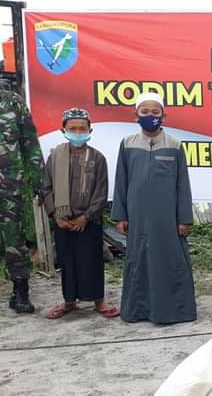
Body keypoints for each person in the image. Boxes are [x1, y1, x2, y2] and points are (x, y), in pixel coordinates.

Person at [111, 92, 197, 324]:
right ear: (136, 115)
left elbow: (182, 185)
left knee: (170, 261)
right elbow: (121, 182)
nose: (150, 116)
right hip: (137, 217)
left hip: (167, 218)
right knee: (138, 261)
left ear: (164, 116)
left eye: (155, 112)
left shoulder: (174, 145)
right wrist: (120, 216)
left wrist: (184, 219)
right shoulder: (127, 144)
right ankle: (138, 310)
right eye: (145, 112)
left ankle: (175, 311)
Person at [42, 108, 119, 319]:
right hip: (62, 221)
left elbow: (101, 192)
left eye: (82, 129)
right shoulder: (55, 157)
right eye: (73, 129)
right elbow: (46, 188)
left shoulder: (97, 158)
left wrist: (86, 217)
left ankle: (99, 301)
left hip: (89, 221)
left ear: (89, 131)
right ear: (63, 130)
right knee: (67, 262)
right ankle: (69, 301)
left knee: (92, 261)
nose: (77, 133)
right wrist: (55, 215)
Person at [0, 87, 43, 313]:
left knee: (14, 236)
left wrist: (39, 181)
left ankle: (20, 290)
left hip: (9, 185)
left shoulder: (12, 101)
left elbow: (30, 143)